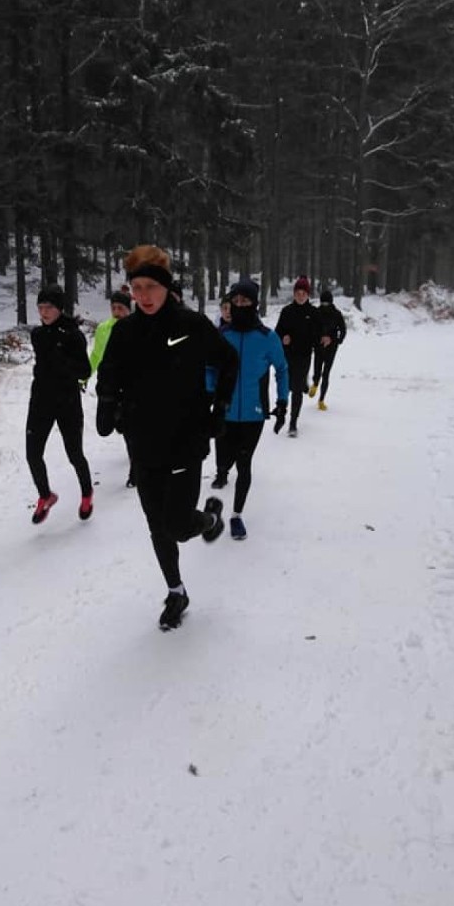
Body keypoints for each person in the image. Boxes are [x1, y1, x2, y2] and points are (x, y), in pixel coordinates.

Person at [96, 244, 238, 630]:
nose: (142, 296)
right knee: (156, 524)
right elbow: (109, 372)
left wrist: (220, 408)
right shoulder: (125, 331)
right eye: (136, 288)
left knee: (176, 524)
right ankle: (176, 592)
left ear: (166, 287)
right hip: (142, 443)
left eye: (150, 288)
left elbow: (229, 361)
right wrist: (107, 404)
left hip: (185, 440)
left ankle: (209, 520)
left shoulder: (190, 326)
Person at [208, 279, 289, 540]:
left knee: (244, 463)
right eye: (236, 301)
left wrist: (282, 402)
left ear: (254, 304)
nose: (239, 305)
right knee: (223, 462)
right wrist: (209, 395)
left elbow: (282, 369)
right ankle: (222, 471)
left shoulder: (267, 338)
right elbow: (209, 368)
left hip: (254, 414)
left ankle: (236, 515)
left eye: (245, 301)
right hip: (225, 411)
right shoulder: (222, 336)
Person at [26, 283, 94, 524]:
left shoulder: (73, 335)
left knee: (74, 453)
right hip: (41, 400)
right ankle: (45, 496)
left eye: (49, 308)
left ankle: (87, 493)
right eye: (40, 307)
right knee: (32, 454)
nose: (43, 312)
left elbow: (85, 369)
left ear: (59, 309)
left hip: (67, 401)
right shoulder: (37, 334)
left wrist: (63, 362)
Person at [89, 290, 136, 487]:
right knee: (103, 428)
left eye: (121, 308)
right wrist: (84, 376)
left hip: (128, 386)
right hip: (107, 384)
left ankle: (136, 470)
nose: (117, 312)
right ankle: (119, 421)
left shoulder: (136, 328)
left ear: (128, 310)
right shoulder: (103, 328)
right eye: (114, 308)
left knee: (130, 431)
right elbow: (96, 354)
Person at [274, 275, 320, 437]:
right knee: (285, 387)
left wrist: (321, 340)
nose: (301, 296)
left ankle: (293, 422)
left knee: (298, 389)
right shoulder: (287, 311)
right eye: (298, 293)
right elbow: (277, 332)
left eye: (304, 293)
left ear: (308, 295)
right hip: (287, 356)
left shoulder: (313, 313)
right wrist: (283, 337)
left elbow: (318, 334)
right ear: (294, 294)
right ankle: (281, 413)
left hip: (304, 356)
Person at [309, 289, 347, 411]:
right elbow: (312, 329)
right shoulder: (317, 312)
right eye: (323, 303)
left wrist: (336, 340)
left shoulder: (337, 314)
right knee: (317, 371)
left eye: (327, 303)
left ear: (331, 302)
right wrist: (319, 339)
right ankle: (315, 384)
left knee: (326, 374)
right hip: (319, 347)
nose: (325, 305)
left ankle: (321, 400)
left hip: (332, 348)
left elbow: (343, 329)